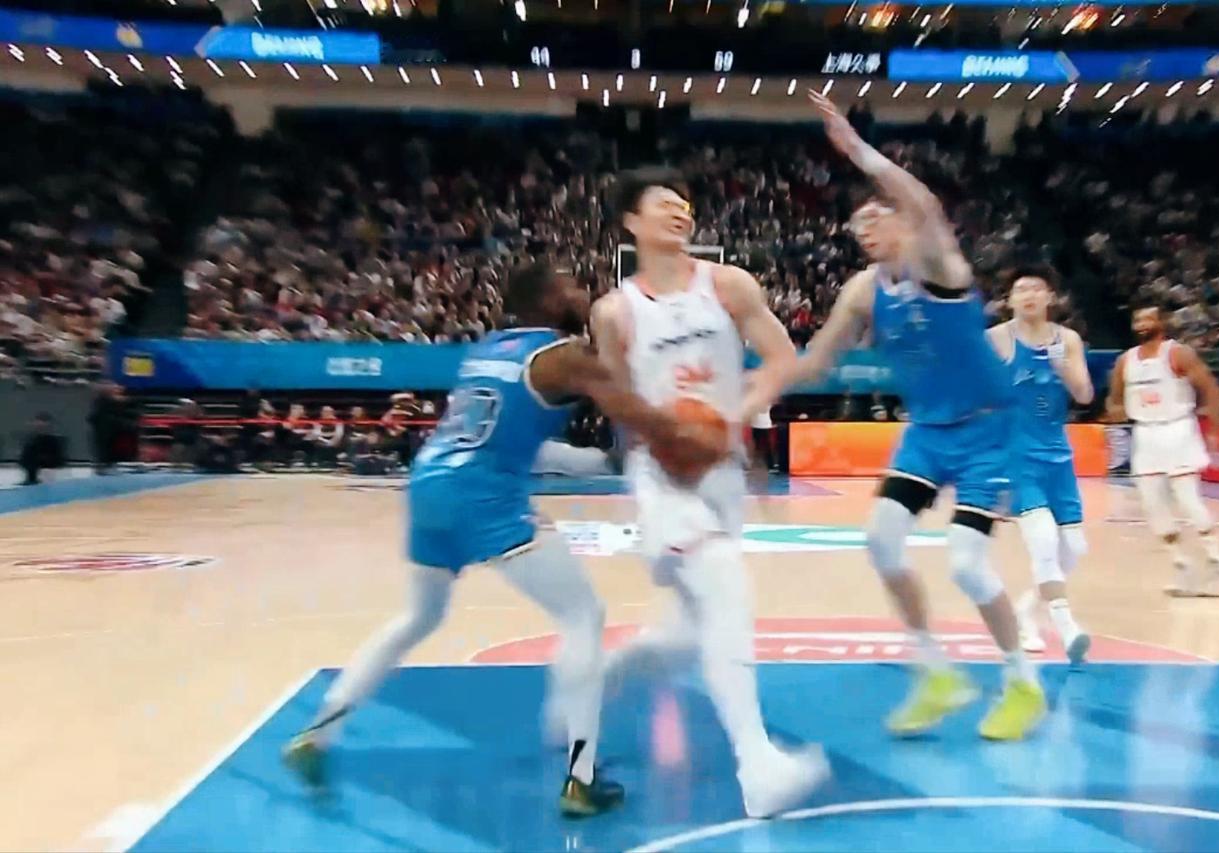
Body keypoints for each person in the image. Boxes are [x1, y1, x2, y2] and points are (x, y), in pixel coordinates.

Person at [283, 261, 724, 817]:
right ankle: (581, 777)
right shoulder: (563, 355)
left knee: (418, 617)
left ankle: (318, 733)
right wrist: (698, 438)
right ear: (547, 300)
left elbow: (525, 442)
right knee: (583, 615)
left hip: (430, 484)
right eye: (570, 287)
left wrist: (602, 458)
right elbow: (636, 415)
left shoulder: (488, 349)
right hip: (483, 496)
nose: (582, 293)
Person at [791, 92, 1045, 741]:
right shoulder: (862, 290)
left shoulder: (940, 266)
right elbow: (815, 362)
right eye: (857, 224)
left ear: (904, 223)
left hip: (990, 429)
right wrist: (739, 390)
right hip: (929, 432)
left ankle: (1023, 681)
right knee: (880, 539)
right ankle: (936, 673)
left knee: (966, 562)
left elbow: (926, 205)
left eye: (878, 216)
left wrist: (857, 150)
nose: (865, 227)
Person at [590, 166, 830, 819]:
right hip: (662, 477)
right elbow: (616, 401)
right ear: (631, 222)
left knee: (686, 637)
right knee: (726, 583)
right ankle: (759, 766)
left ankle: (597, 684)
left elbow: (783, 358)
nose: (680, 211)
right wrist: (667, 431)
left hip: (723, 473)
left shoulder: (728, 285)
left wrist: (731, 417)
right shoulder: (614, 312)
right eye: (663, 203)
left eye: (684, 203)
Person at [986, 267, 1094, 663]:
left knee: (1074, 548)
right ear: (1010, 300)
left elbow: (1085, 395)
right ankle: (1068, 629)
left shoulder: (1068, 339)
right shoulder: (996, 339)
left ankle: (1027, 612)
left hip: (1057, 455)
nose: (1028, 295)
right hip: (1015, 457)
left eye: (1036, 288)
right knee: (1044, 540)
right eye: (1020, 289)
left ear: (1051, 297)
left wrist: (1062, 365)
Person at [1106, 303, 1219, 596]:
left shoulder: (1177, 353)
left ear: (1162, 323)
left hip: (1178, 429)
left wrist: (1214, 431)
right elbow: (1114, 400)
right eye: (1137, 319)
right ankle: (1181, 565)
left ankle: (1217, 563)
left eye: (1147, 318)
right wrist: (1115, 412)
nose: (1141, 324)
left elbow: (1212, 389)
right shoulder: (1125, 361)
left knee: (1188, 499)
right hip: (1145, 433)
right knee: (1152, 504)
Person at [19, 412, 66, 485]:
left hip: (49, 472)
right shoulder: (30, 440)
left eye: (43, 422)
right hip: (32, 473)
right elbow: (24, 459)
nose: (41, 426)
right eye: (38, 422)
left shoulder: (55, 441)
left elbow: (58, 460)